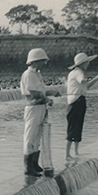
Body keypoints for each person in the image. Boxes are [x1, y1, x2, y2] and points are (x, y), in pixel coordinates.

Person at [20, 48, 56, 176]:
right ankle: (28, 167)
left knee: (36, 137)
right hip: (33, 108)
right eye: (42, 61)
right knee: (30, 137)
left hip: (40, 107)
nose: (44, 64)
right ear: (35, 61)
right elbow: (34, 93)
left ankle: (34, 164)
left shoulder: (37, 74)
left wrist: (51, 93)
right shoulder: (28, 74)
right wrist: (47, 98)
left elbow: (41, 91)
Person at [65, 52, 98, 161]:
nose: (88, 64)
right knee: (73, 127)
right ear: (82, 63)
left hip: (78, 101)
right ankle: (68, 154)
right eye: (87, 62)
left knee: (77, 126)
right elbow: (85, 83)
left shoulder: (74, 72)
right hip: (76, 102)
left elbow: (86, 86)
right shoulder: (78, 73)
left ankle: (75, 152)